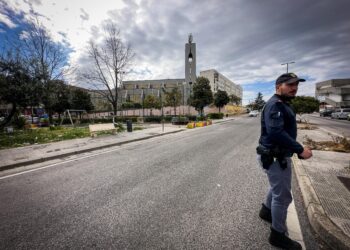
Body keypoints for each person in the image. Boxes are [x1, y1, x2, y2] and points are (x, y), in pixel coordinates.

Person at [257, 72, 313, 249]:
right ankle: (277, 235)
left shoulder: (283, 104)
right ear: (278, 86)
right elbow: (276, 133)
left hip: (274, 155)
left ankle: (266, 211)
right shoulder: (275, 105)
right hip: (275, 156)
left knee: (276, 187)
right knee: (282, 197)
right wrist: (299, 149)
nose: (294, 88)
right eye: (289, 84)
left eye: (296, 84)